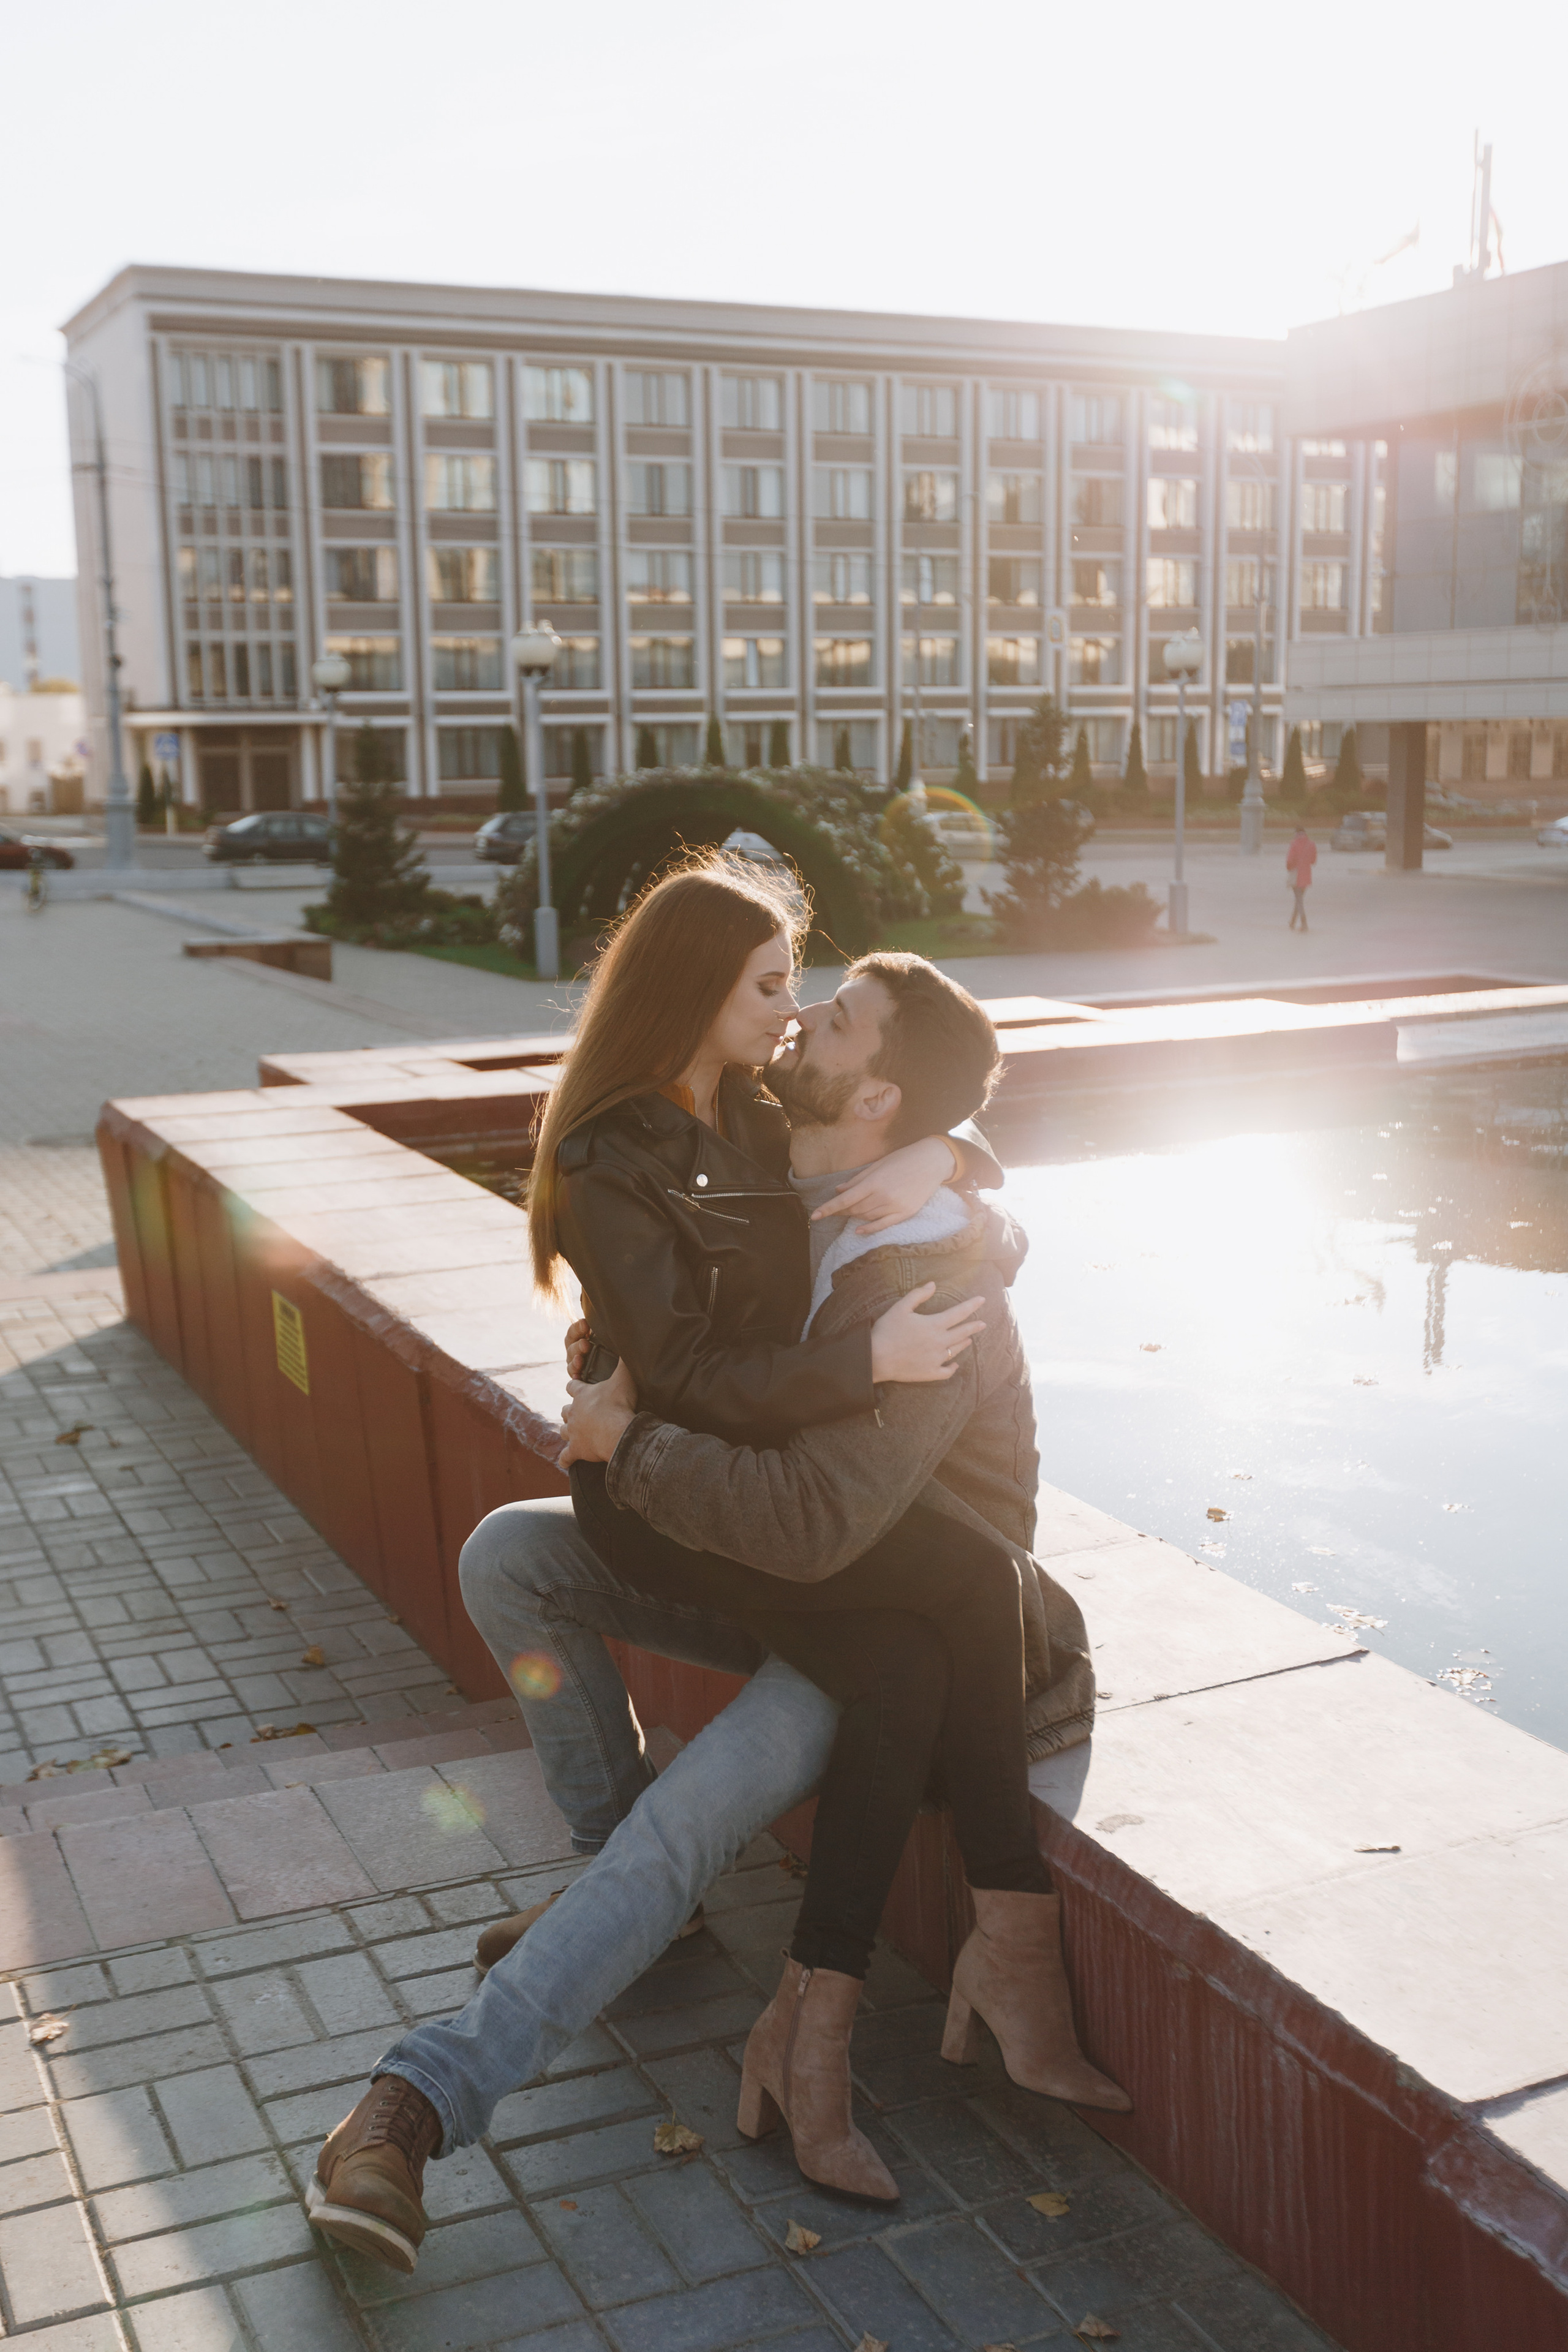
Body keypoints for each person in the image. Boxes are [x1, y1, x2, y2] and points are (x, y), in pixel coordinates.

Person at [305, 865, 1123, 2268]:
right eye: (771, 984)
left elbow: (920, 1131)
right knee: (510, 1556)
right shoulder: (645, 1144)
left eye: (812, 997)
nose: (796, 1010)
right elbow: (692, 1359)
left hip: (851, 1588)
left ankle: (418, 2096)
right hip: (771, 1546)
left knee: (684, 1819)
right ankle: (620, 1879)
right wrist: (923, 1194)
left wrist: (956, 1160)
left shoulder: (786, 1132)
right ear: (697, 994)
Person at [1286, 821, 1317, 930]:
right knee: (1299, 900)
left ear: (1296, 833)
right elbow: (1313, 861)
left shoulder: (1294, 844)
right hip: (1306, 876)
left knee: (1299, 900)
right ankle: (1293, 922)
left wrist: (1289, 868)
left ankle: (1304, 923)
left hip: (1296, 876)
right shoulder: (1311, 844)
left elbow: (1290, 860)